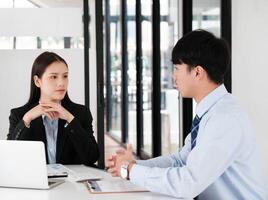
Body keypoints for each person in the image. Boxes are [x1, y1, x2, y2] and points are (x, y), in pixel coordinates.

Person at [107, 30, 267, 199]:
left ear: (197, 72)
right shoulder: (210, 111)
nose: (173, 76)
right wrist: (133, 165)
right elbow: (181, 161)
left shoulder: (224, 118)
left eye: (177, 68)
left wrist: (131, 171)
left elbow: (188, 183)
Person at [7, 51, 99, 166]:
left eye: (65, 76)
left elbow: (92, 157)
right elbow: (10, 156)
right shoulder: (20, 115)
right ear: (37, 81)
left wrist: (70, 119)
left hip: (71, 182)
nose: (61, 83)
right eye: (53, 77)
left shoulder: (80, 113)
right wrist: (27, 119)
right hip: (35, 182)